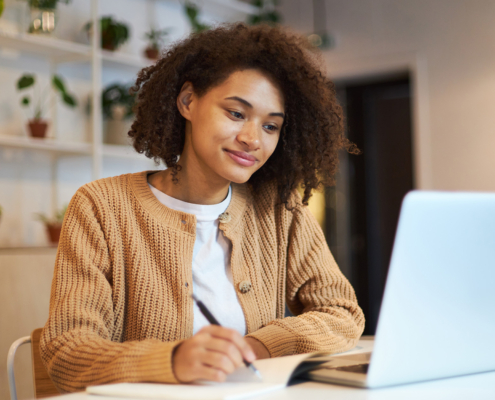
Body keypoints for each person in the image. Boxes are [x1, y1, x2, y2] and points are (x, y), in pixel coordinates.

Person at [40, 22, 365, 392]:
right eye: (236, 114)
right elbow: (66, 352)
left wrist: (259, 346)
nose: (252, 139)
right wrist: (172, 361)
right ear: (188, 102)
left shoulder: (278, 208)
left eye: (271, 126)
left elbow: (341, 313)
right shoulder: (102, 206)